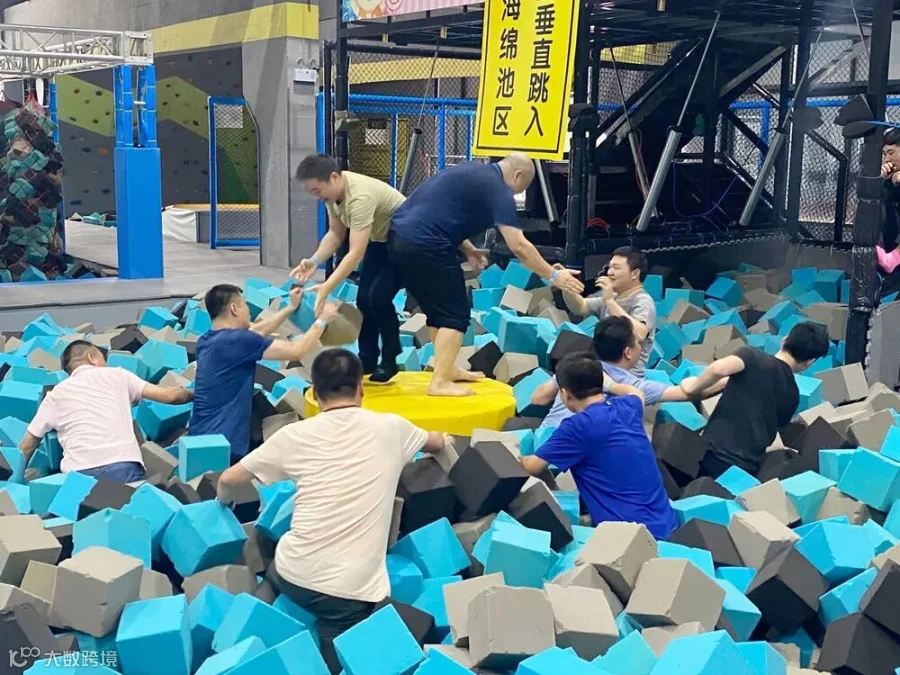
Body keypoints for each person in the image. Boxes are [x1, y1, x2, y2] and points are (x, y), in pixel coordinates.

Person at [216, 348, 449, 674]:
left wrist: (222, 504)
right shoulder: (393, 427)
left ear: (314, 392)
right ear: (361, 389)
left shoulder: (292, 435)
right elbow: (437, 442)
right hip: (347, 593)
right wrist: (446, 440)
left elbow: (228, 479)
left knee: (278, 569)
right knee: (341, 649)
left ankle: (250, 626)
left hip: (291, 570)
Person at [388, 153, 584, 397]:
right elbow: (518, 246)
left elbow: (440, 213)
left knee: (439, 309)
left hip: (399, 238)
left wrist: (468, 249)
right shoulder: (499, 189)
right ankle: (440, 382)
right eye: (522, 188)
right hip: (426, 244)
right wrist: (554, 276)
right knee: (455, 314)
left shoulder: (472, 171)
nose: (516, 194)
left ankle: (445, 368)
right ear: (518, 175)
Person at [520, 352, 677, 539]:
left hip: (628, 539)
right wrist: (611, 385)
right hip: (668, 526)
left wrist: (514, 453)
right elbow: (637, 393)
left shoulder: (576, 427)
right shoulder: (628, 407)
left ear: (565, 394)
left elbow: (532, 466)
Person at [190, 284, 339, 461]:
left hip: (197, 441)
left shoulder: (206, 341)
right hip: (225, 446)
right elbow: (296, 351)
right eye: (245, 304)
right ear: (234, 308)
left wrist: (290, 308)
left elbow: (257, 332)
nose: (249, 310)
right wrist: (322, 320)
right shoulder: (238, 341)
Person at [292, 154, 406, 383]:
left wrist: (326, 287)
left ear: (334, 177)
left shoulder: (359, 197)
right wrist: (314, 261)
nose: (317, 197)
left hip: (407, 241)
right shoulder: (332, 195)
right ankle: (367, 359)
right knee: (364, 300)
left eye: (317, 191)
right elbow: (336, 233)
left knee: (378, 297)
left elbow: (356, 253)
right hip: (381, 240)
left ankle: (390, 358)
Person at [18, 340, 193, 483]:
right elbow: (170, 396)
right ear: (92, 358)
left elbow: (27, 446)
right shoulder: (118, 375)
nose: (106, 364)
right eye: (104, 359)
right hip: (122, 466)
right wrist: (196, 394)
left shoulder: (55, 394)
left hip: (78, 474)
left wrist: (14, 482)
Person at [681, 321, 830, 478]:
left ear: (785, 340)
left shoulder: (753, 358)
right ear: (810, 361)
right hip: (747, 471)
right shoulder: (793, 395)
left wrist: (692, 387)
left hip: (712, 455)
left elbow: (719, 368)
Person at [531, 315, 713, 432]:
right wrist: (724, 375)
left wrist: (559, 379)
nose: (641, 347)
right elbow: (690, 393)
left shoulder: (575, 366)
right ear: (628, 352)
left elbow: (537, 399)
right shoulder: (634, 386)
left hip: (544, 444)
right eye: (638, 343)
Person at [557, 246, 656, 376]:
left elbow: (639, 334)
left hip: (627, 376)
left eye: (616, 268)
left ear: (635, 274)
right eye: (610, 267)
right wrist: (566, 285)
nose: (610, 272)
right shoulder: (612, 297)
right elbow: (580, 307)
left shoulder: (643, 301)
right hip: (603, 371)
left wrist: (610, 301)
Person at [877, 129, 900, 273]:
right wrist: (879, 181)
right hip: (891, 238)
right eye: (884, 154)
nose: (887, 159)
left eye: (891, 153)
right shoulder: (887, 178)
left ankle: (895, 257)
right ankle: (876, 249)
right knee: (875, 198)